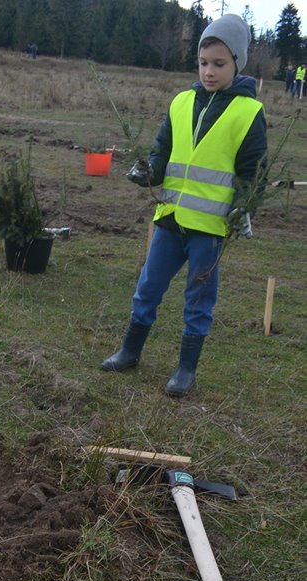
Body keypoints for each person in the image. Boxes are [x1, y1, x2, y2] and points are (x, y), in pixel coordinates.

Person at [100, 14, 267, 397]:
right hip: (170, 219)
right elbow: (162, 151)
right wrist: (147, 171)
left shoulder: (248, 114)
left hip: (209, 228)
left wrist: (244, 208)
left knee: (198, 301)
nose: (209, 72)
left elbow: (252, 173)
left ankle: (186, 370)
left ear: (237, 62)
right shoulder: (181, 102)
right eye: (203, 63)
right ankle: (129, 350)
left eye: (219, 64)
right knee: (148, 287)